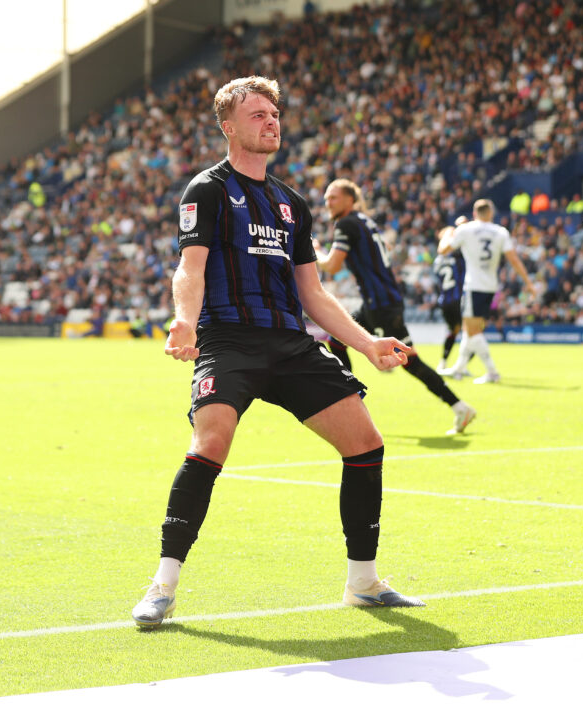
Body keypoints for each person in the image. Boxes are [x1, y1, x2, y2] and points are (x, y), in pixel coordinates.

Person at [131, 76, 424, 630]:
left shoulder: (291, 203)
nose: (272, 122)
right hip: (227, 340)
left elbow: (313, 292)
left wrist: (366, 343)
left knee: (366, 443)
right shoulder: (208, 190)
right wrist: (184, 321)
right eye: (259, 114)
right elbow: (189, 269)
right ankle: (162, 586)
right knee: (210, 441)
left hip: (289, 343)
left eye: (275, 114)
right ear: (229, 126)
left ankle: (363, 582)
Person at [313, 178, 477, 436]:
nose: (328, 203)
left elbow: (332, 266)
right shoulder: (365, 221)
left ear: (349, 199)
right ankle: (352, 404)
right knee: (336, 341)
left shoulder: (346, 224)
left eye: (333, 197)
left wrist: (316, 251)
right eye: (326, 199)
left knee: (409, 360)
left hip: (382, 305)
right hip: (378, 302)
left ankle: (459, 406)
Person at [436, 199, 536, 384]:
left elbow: (443, 250)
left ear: (474, 213)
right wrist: (528, 282)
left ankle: (492, 372)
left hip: (473, 286)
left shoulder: (465, 230)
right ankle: (459, 367)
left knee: (473, 331)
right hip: (490, 287)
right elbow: (513, 259)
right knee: (468, 328)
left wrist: (450, 233)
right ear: (491, 214)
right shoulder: (500, 232)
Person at [433, 216, 468, 372]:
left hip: (444, 301)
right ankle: (462, 365)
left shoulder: (438, 260)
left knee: (453, 331)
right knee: (471, 331)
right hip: (458, 299)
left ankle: (443, 361)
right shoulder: (458, 258)